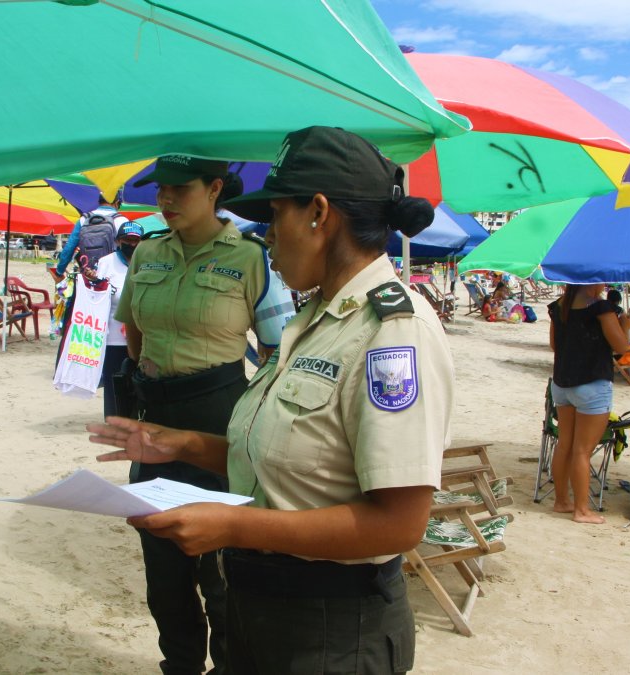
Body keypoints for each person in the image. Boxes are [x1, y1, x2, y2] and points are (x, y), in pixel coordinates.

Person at [91, 126, 452, 673]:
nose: (266, 235)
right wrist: (184, 444)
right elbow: (290, 462)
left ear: (318, 213)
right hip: (261, 606)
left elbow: (399, 525)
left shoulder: (391, 332)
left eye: (274, 216)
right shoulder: (315, 317)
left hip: (330, 627)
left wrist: (235, 526)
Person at [109, 154, 295, 675]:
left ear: (215, 189)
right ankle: (180, 665)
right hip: (154, 418)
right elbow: (134, 333)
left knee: (221, 569)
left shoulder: (251, 257)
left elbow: (280, 352)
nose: (165, 199)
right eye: (160, 189)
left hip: (219, 418)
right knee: (162, 567)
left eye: (179, 189)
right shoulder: (146, 252)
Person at [547, 283, 630, 524]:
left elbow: (555, 345)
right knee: (582, 451)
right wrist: (625, 327)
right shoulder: (601, 308)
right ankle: (582, 510)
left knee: (565, 444)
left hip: (562, 382)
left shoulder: (558, 306)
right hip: (592, 383)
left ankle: (562, 501)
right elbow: (622, 349)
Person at [93, 221, 144, 418]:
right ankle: (113, 419)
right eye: (127, 240)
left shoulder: (148, 261)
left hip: (142, 336)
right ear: (118, 241)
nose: (132, 244)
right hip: (113, 337)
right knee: (114, 382)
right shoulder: (106, 262)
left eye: (136, 241)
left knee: (139, 382)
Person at [55, 193, 131, 276]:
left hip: (88, 273)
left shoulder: (84, 219)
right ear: (116, 203)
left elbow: (69, 248)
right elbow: (131, 249)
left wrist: (59, 271)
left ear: (99, 202)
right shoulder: (122, 220)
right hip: (115, 274)